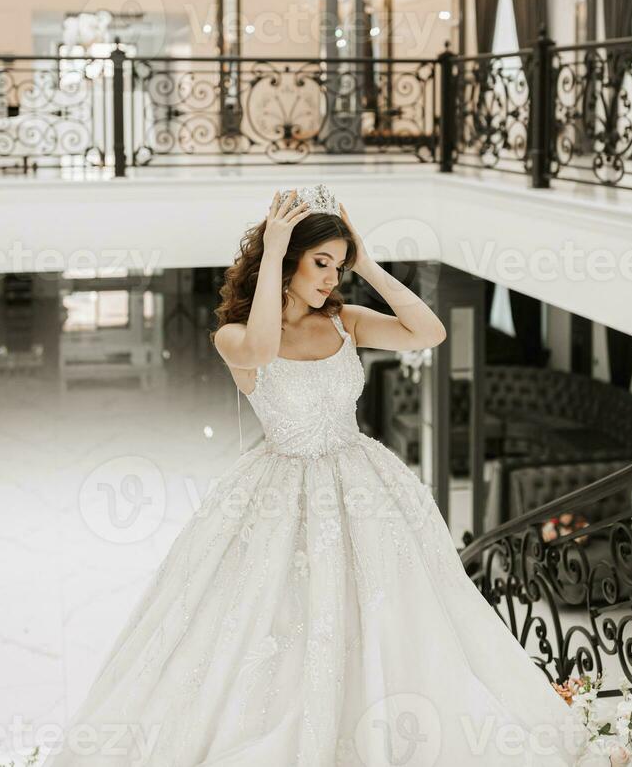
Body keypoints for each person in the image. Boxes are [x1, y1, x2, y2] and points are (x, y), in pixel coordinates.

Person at [42, 183, 578, 767]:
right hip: (280, 495)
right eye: (320, 262)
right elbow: (265, 347)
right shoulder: (232, 337)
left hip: (365, 484)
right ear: (290, 257)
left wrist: (368, 264)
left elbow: (430, 332)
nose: (330, 278)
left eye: (338, 266)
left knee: (383, 616)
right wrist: (271, 253)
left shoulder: (346, 320)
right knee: (282, 626)